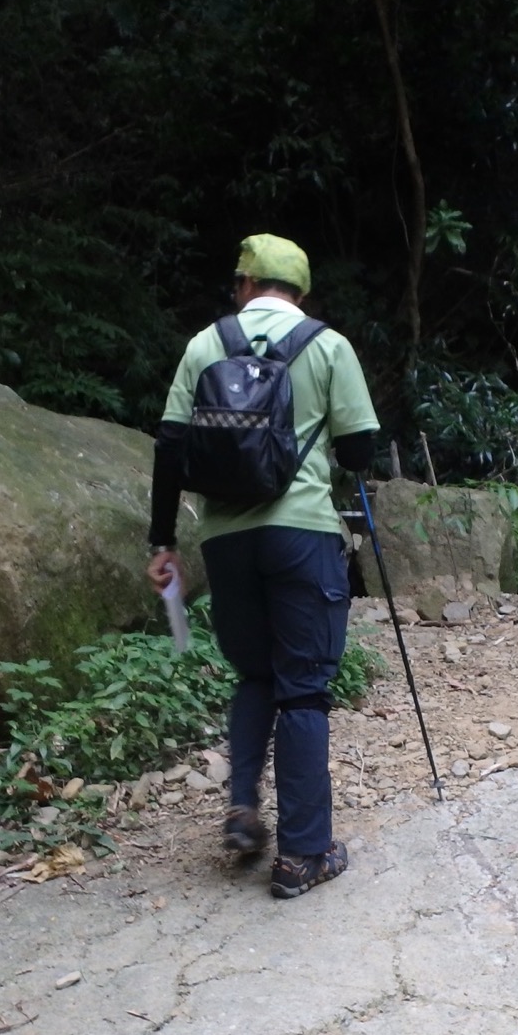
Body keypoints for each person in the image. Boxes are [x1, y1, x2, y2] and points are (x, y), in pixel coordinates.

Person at [146, 234, 380, 899]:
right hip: (301, 533)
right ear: (300, 294)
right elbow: (360, 449)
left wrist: (162, 542)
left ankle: (244, 807)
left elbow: (169, 447)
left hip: (225, 538)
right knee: (303, 687)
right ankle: (304, 855)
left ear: (244, 284)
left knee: (254, 673)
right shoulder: (326, 345)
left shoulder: (203, 345)